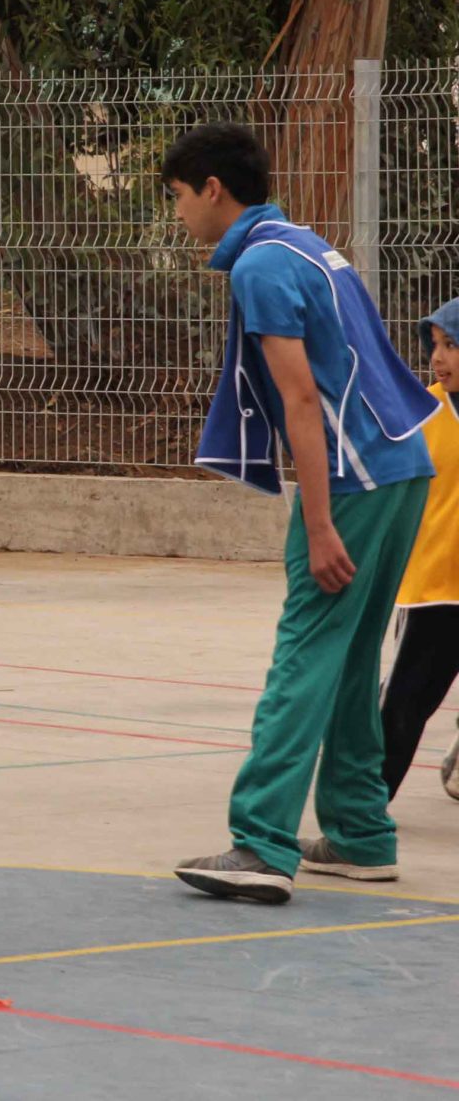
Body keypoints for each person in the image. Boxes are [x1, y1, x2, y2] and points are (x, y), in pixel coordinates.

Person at [165, 122, 436, 903]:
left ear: (213, 189)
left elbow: (302, 399)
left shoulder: (259, 265)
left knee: (305, 653)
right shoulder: (308, 245)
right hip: (403, 466)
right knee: (348, 656)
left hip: (353, 481)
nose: (178, 213)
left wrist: (317, 524)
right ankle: (359, 832)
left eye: (177, 196)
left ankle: (260, 843)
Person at [378, 296, 459, 801]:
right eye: (434, 345)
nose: (438, 357)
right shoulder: (419, 414)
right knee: (404, 705)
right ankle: (363, 811)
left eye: (451, 344)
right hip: (436, 589)